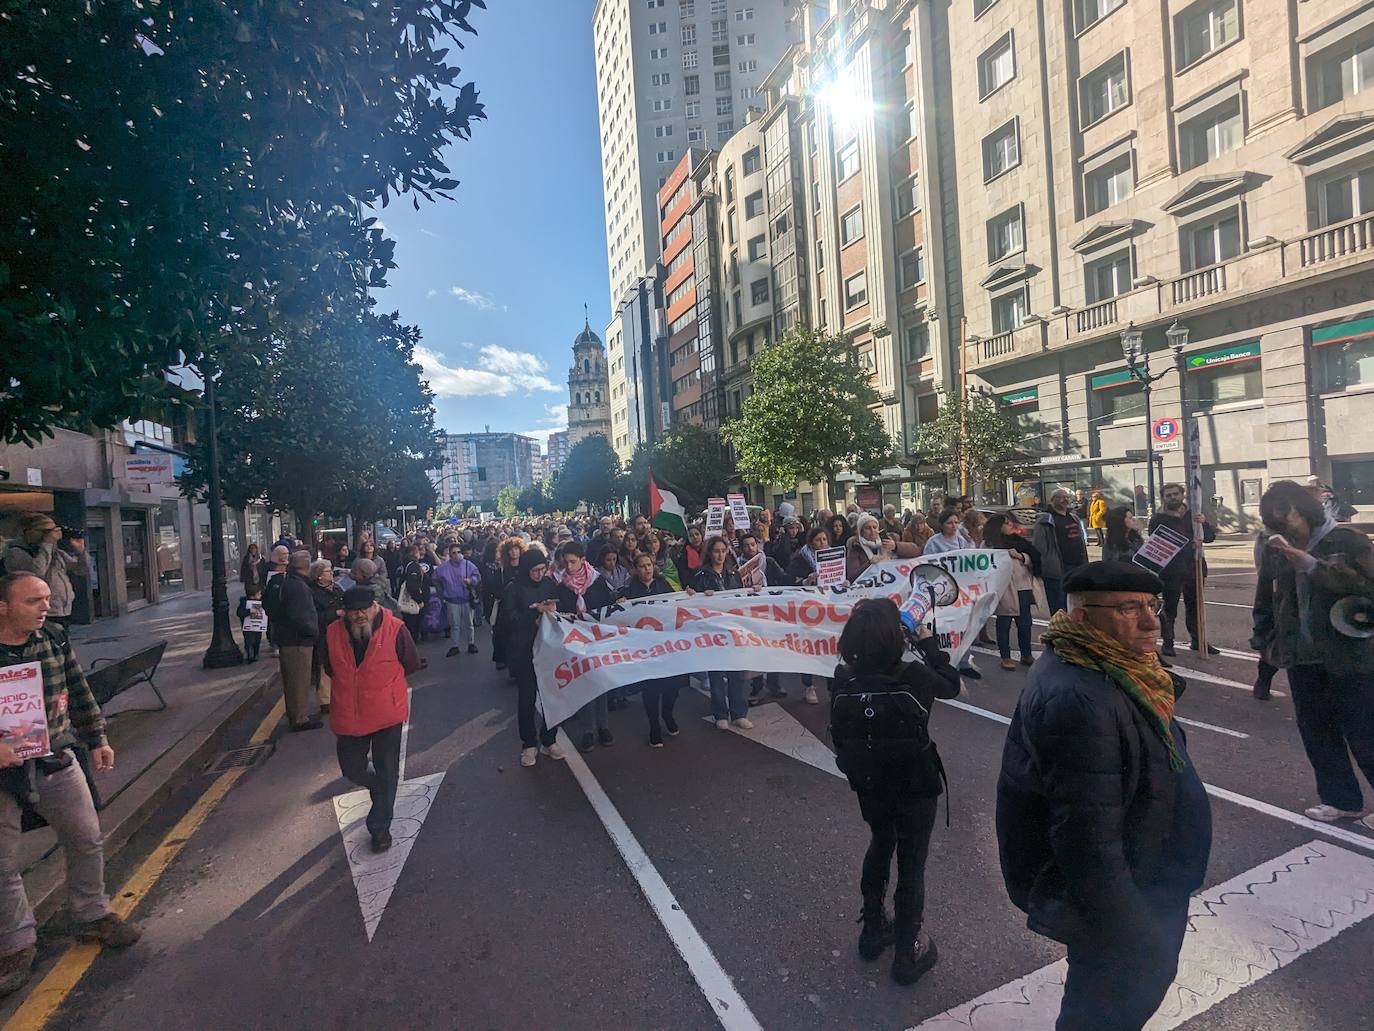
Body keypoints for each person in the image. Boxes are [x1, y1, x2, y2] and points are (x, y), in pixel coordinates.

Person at [997, 561, 1211, 1031]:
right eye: (1128, 608)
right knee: (1107, 1009)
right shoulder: (1082, 698)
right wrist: (1131, 930)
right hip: (1126, 894)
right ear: (1081, 618)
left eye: (1151, 606)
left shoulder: (1111, 666)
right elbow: (1086, 839)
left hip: (1145, 871)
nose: (1153, 620)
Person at [0, 573, 141, 994]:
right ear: (2, 606)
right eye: (32, 601)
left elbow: (78, 690)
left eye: (46, 598)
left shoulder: (54, 637)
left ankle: (91, 913)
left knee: (85, 838)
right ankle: (17, 944)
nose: (45, 607)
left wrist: (97, 737)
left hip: (55, 755)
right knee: (2, 864)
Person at [830, 598, 958, 986]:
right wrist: (926, 641)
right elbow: (950, 684)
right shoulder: (914, 675)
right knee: (912, 863)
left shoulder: (842, 676)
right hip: (915, 783)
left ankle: (872, 931)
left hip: (869, 782)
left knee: (880, 842)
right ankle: (907, 952)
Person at [1252, 481, 1374, 827]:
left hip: (1350, 651)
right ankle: (1340, 801)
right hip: (1301, 654)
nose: (1286, 528)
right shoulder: (1278, 548)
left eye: (1288, 518)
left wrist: (1311, 565)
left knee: (1364, 731)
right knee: (1317, 731)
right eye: (1276, 523)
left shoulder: (1347, 541)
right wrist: (1263, 637)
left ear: (1305, 509)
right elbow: (1266, 594)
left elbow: (1366, 586)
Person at [322, 587, 423, 853]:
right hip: (349, 714)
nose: (359, 616)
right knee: (352, 769)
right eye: (353, 611)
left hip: (386, 713)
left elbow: (411, 663)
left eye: (364, 609)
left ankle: (380, 828)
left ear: (375, 606)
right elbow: (329, 666)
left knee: (387, 768)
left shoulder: (396, 629)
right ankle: (381, 789)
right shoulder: (332, 632)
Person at [496, 550, 565, 767]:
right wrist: (534, 613)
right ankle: (528, 744)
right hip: (523, 650)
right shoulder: (513, 588)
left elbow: (560, 608)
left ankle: (549, 738)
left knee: (551, 697)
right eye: (534, 570)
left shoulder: (548, 584)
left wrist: (553, 611)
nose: (538, 574)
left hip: (547, 649)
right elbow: (508, 619)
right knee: (527, 699)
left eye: (542, 570)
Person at [554, 542, 618, 751]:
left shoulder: (597, 581)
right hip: (575, 639)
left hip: (596, 637)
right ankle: (588, 729)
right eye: (566, 562)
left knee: (600, 681)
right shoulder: (561, 584)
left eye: (573, 561)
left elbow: (606, 607)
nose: (569, 567)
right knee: (584, 683)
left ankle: (604, 726)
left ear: (583, 560)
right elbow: (559, 611)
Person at [619, 553, 684, 747]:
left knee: (673, 687)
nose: (646, 569)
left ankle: (667, 712)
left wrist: (689, 595)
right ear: (636, 569)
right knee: (651, 690)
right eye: (642, 566)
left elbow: (681, 604)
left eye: (649, 565)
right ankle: (654, 726)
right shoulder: (629, 591)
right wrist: (621, 605)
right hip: (644, 648)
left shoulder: (664, 585)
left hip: (667, 646)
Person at [1148, 483, 1218, 656]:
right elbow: (1157, 543)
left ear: (1182, 495)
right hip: (1171, 571)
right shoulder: (1158, 519)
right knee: (1170, 608)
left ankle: (1198, 640)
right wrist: (1187, 545)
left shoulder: (1193, 515)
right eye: (1168, 495)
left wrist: (1204, 524)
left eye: (1175, 494)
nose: (1173, 498)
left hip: (1194, 568)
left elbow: (1209, 537)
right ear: (1163, 498)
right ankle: (1168, 642)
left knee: (1195, 608)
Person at [691, 536, 753, 731]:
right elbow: (694, 602)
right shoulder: (701, 575)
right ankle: (720, 713)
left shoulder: (733, 573)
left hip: (733, 628)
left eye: (723, 551)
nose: (720, 554)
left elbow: (741, 597)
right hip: (713, 631)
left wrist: (754, 591)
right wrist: (699, 595)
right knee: (716, 673)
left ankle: (739, 713)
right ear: (709, 553)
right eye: (716, 551)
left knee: (737, 673)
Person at [270, 551, 323, 731]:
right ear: (307, 566)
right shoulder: (298, 586)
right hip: (298, 640)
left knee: (293, 681)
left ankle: (296, 714)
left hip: (288, 637)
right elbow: (300, 616)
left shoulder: (287, 582)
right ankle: (300, 718)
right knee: (299, 681)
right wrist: (313, 632)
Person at [983, 514, 1040, 670]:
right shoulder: (989, 545)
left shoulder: (1019, 541)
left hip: (1023, 586)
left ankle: (1026, 654)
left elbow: (1032, 556)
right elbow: (986, 564)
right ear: (999, 526)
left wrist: (1021, 556)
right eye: (1007, 524)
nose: (1010, 526)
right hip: (1005, 588)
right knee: (1004, 623)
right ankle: (1005, 657)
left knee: (1025, 623)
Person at [3, 515, 77, 628]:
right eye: (47, 531)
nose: (52, 535)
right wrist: (47, 543)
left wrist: (80, 552)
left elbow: (81, 569)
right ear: (30, 531)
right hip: (41, 611)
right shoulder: (16, 552)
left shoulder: (55, 552)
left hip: (63, 610)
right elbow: (36, 574)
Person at [1031, 489, 1089, 615]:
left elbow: (1081, 542)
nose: (1065, 499)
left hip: (1077, 566)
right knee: (1059, 607)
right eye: (1061, 497)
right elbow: (1039, 546)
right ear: (1053, 500)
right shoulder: (1045, 520)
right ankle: (1059, 632)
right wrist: (1045, 566)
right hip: (1058, 569)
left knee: (1076, 604)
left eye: (1066, 496)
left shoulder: (1074, 517)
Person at [307, 560, 343, 715]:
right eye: (328, 571)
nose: (331, 573)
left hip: (339, 632)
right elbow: (314, 616)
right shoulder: (313, 593)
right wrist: (335, 613)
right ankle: (325, 700)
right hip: (324, 633)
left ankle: (338, 696)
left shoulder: (336, 588)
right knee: (323, 666)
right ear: (319, 576)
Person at [434, 543, 482, 658]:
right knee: (454, 624)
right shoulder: (443, 567)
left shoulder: (468, 565)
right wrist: (442, 592)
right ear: (449, 554)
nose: (456, 555)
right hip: (452, 599)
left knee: (469, 623)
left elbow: (477, 576)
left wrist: (471, 581)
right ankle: (455, 645)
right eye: (454, 553)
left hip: (466, 598)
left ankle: (471, 643)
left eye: (459, 552)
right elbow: (435, 579)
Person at [847, 514, 918, 582]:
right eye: (867, 528)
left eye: (874, 527)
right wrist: (869, 564)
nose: (872, 530)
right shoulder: (855, 547)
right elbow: (852, 576)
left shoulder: (887, 540)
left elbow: (915, 551)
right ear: (861, 532)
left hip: (893, 582)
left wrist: (896, 546)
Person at [399, 544, 433, 642]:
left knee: (411, 625)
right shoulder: (413, 566)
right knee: (413, 626)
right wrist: (419, 600)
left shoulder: (406, 565)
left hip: (414, 598)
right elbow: (412, 584)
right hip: (413, 600)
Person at [236, 583, 265, 662]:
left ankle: (256, 654)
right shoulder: (244, 603)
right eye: (259, 594)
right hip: (248, 627)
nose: (260, 596)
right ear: (253, 596)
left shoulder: (261, 602)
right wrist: (249, 611)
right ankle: (250, 655)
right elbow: (240, 613)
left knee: (257, 640)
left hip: (257, 626)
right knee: (249, 641)